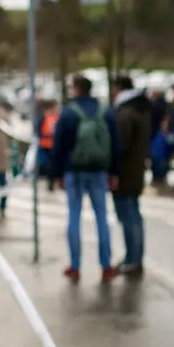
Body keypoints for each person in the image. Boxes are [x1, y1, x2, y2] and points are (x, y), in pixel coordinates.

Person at [48, 74, 122, 282]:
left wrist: (57, 174)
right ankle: (106, 265)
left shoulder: (69, 113)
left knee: (74, 216)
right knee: (101, 217)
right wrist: (114, 172)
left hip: (74, 171)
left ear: (76, 89)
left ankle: (75, 265)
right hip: (99, 171)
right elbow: (116, 144)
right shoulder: (105, 112)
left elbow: (59, 146)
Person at [110, 76, 151, 276]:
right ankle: (135, 257)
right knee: (134, 214)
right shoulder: (140, 110)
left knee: (128, 217)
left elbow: (120, 147)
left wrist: (113, 171)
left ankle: (132, 258)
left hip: (125, 173)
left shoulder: (125, 114)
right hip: (136, 171)